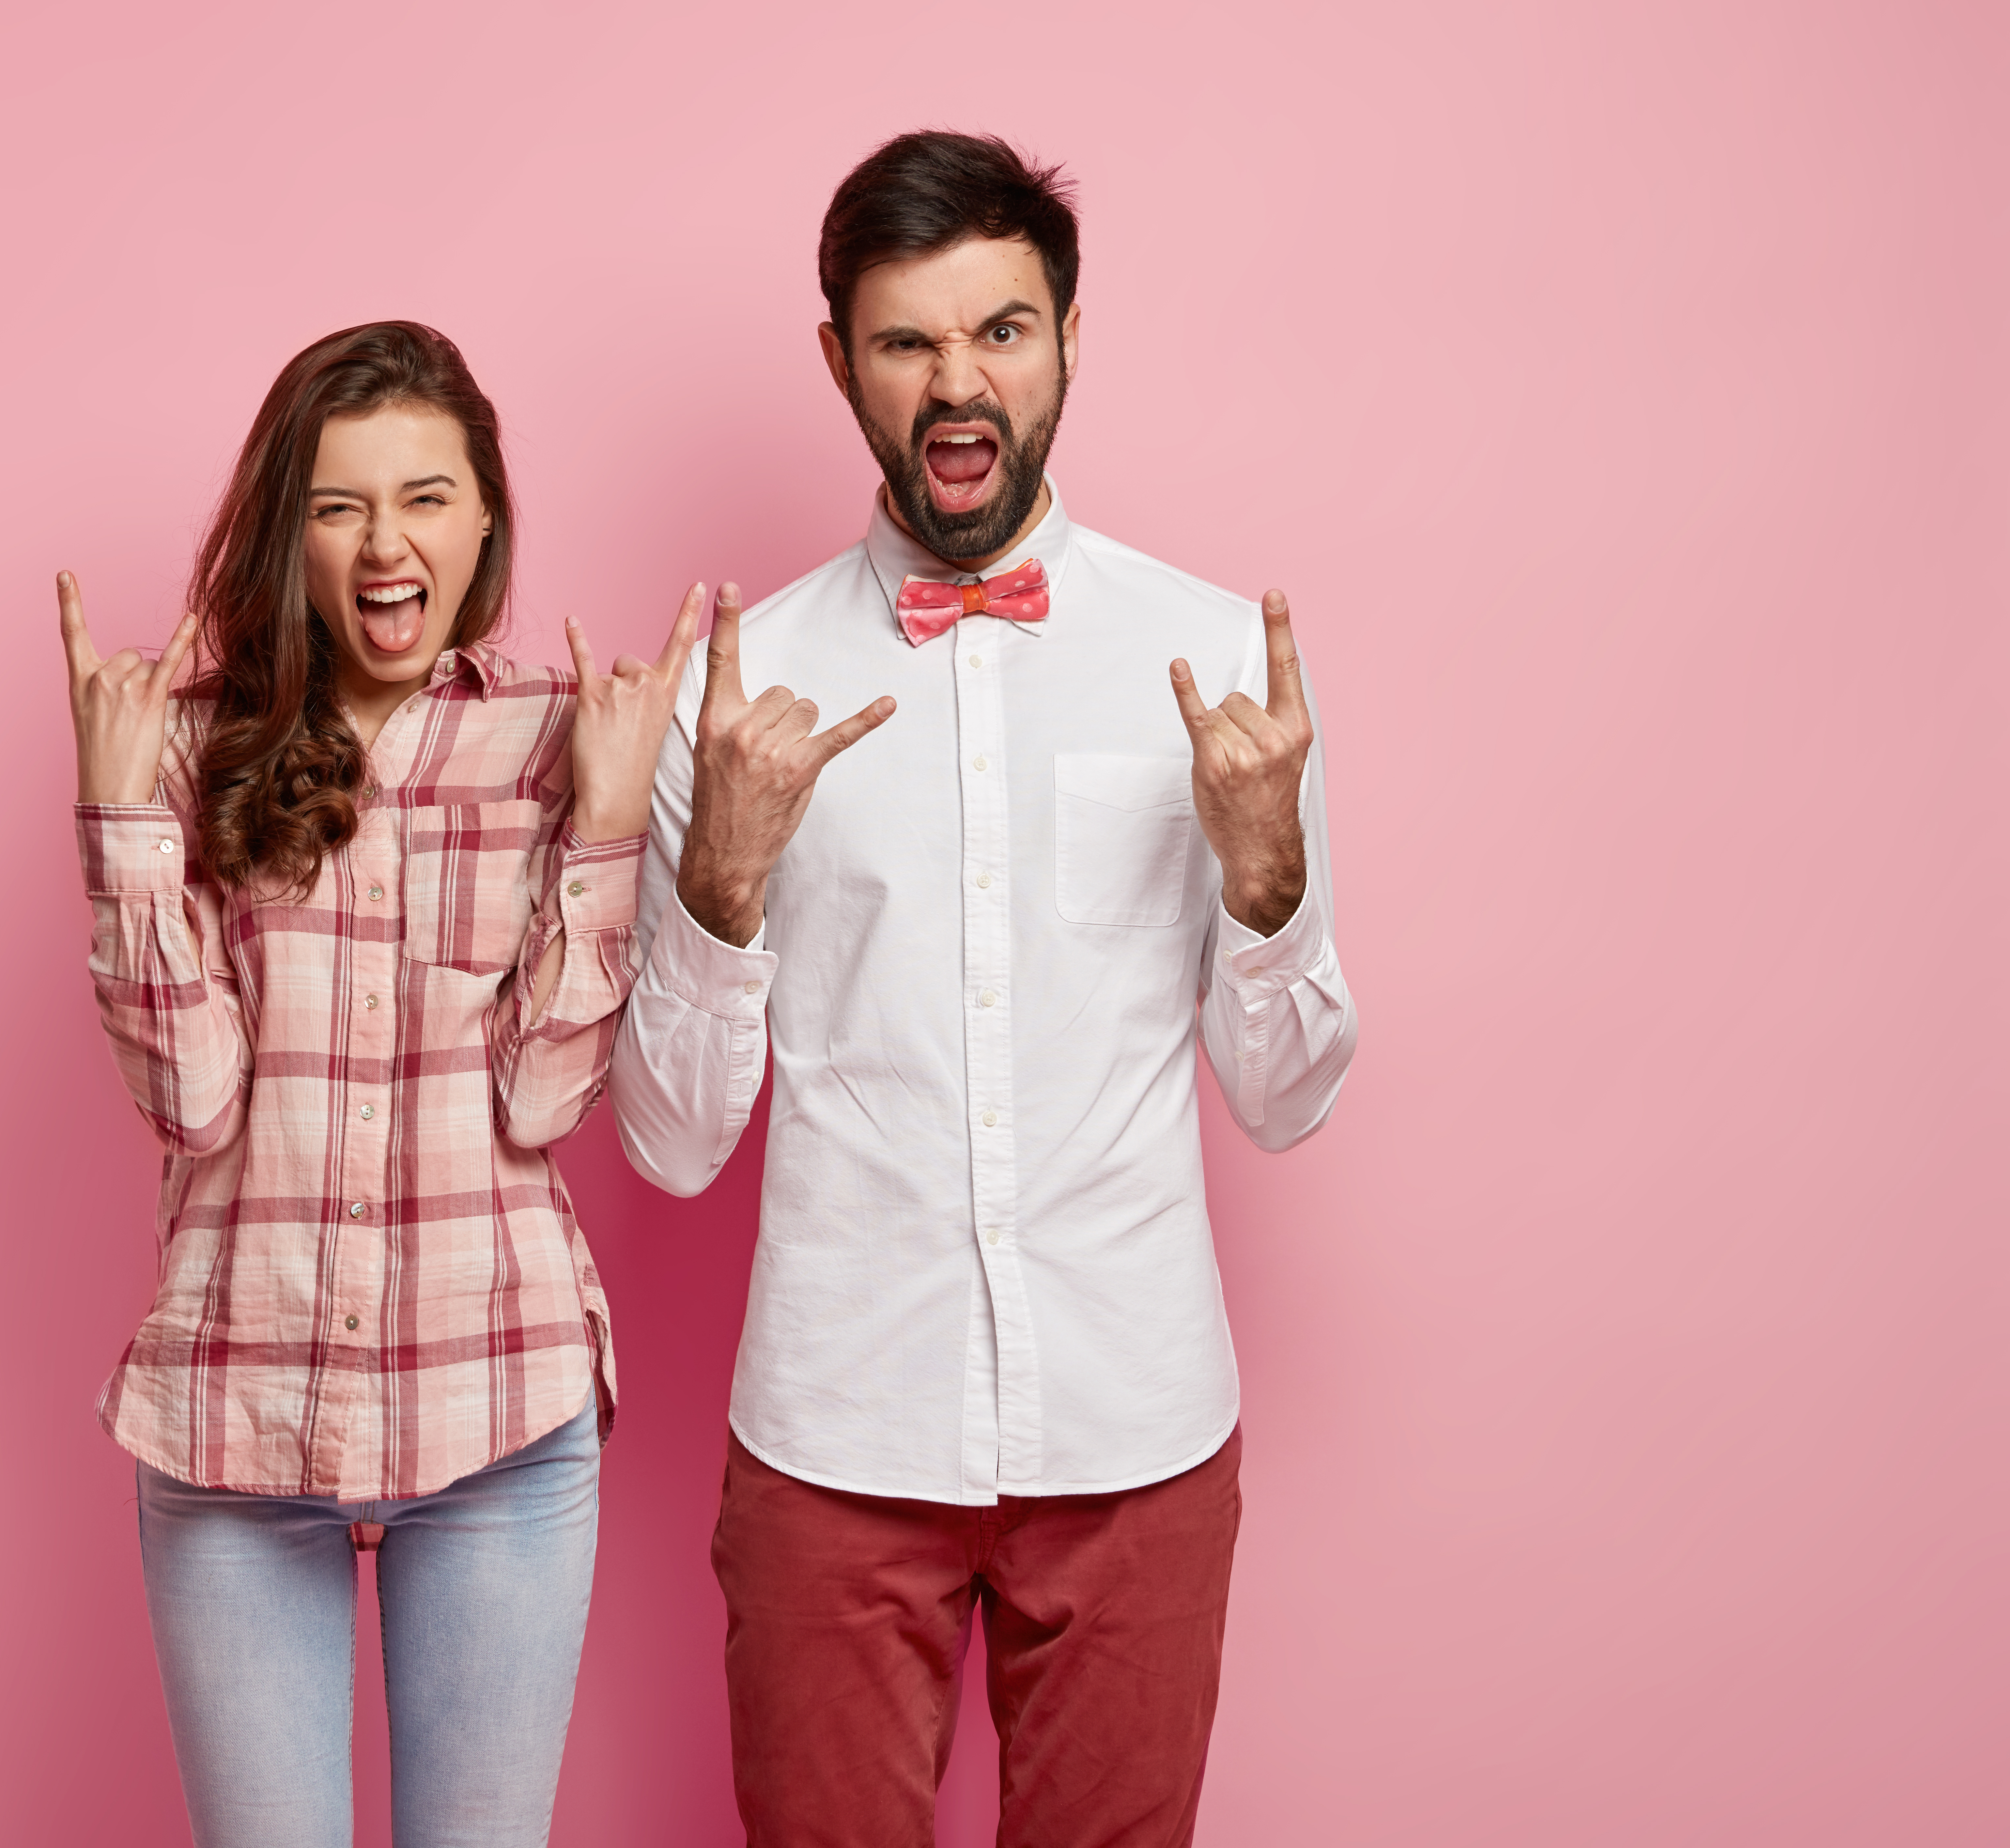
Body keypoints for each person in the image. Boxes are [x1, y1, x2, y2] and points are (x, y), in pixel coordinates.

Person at [609, 133, 1359, 1846]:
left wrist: (1270, 882)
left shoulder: (1232, 669)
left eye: (1003, 332)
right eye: (908, 341)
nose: (961, 385)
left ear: (1071, 340)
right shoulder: (739, 694)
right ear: (839, 363)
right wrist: (718, 879)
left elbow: (1289, 1097)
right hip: (834, 1428)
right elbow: (667, 1147)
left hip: (1138, 1426)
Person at [57, 320, 694, 1848]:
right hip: (236, 1409)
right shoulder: (191, 744)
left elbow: (546, 1102)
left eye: (426, 496)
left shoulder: (559, 738)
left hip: (496, 1406)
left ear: (484, 521)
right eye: (340, 505)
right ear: (293, 532)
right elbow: (193, 1101)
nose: (385, 544)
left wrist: (608, 828)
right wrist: (121, 815)